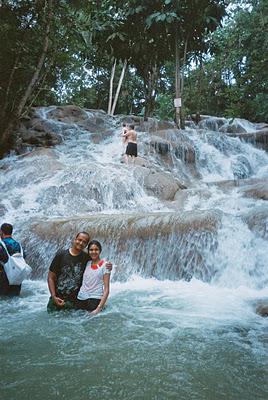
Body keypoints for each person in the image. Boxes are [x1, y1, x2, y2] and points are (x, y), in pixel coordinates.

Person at [47, 232, 112, 312]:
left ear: (86, 245)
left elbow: (97, 262)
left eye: (84, 242)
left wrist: (108, 265)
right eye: (79, 240)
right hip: (57, 298)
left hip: (75, 302)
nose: (81, 243)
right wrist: (53, 296)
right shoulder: (61, 255)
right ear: (75, 240)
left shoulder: (86, 258)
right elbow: (51, 277)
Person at [75, 240, 111, 315]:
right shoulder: (87, 263)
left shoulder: (106, 265)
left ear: (100, 250)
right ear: (88, 251)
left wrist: (99, 308)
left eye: (96, 249)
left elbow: (106, 289)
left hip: (95, 299)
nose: (93, 252)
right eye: (91, 250)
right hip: (81, 298)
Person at [0, 223, 23, 296]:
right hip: (16, 277)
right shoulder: (18, 244)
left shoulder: (1, 244)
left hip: (4, 277)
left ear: (1, 232)